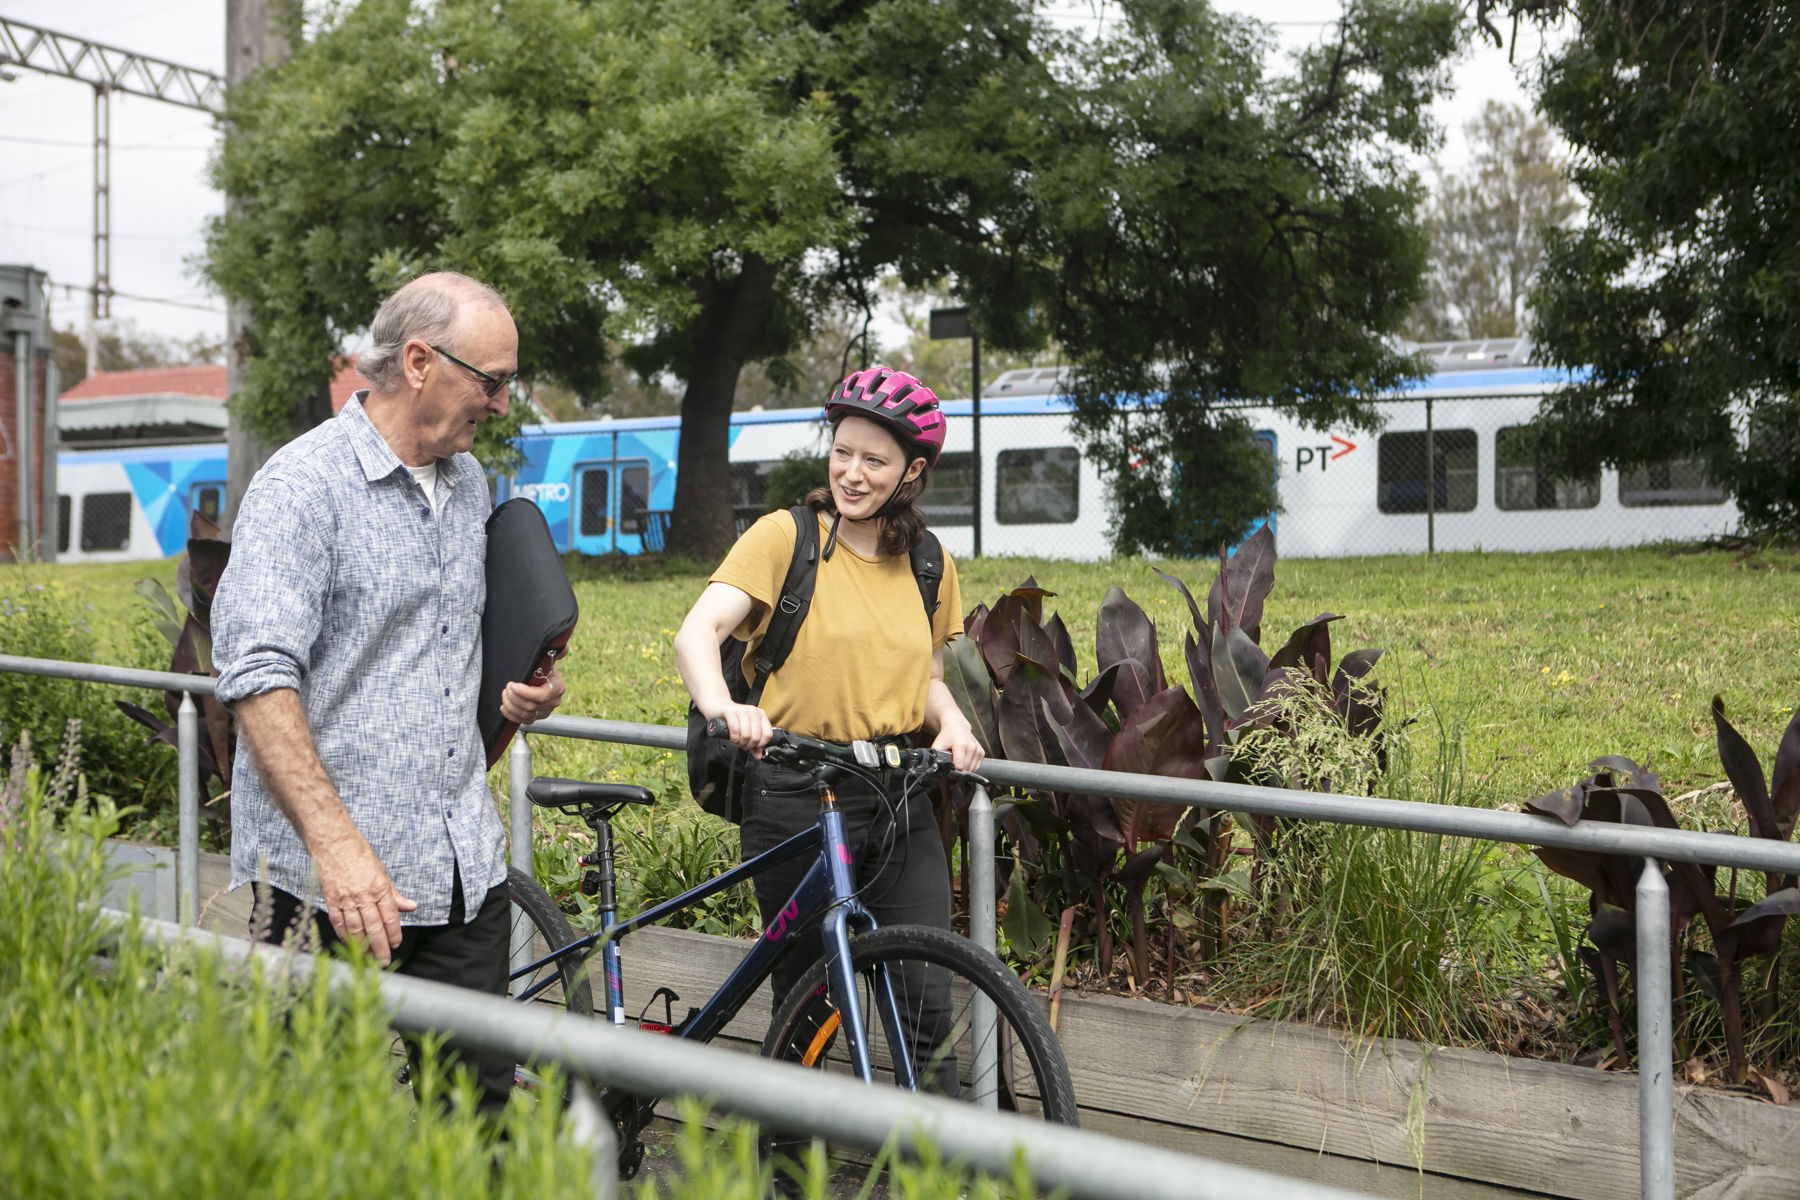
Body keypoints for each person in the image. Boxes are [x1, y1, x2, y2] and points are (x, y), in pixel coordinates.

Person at [211, 270, 566, 1113]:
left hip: (459, 866)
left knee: (477, 1125)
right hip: (325, 883)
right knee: (312, 1125)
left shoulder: (470, 484)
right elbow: (258, 676)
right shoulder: (301, 488)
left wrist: (516, 695)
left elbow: (446, 649)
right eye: (493, 380)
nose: (503, 403)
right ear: (417, 362)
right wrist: (338, 850)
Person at [673, 366, 983, 1020]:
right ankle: (790, 1128)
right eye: (842, 452)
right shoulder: (786, 537)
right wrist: (722, 707)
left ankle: (931, 1128)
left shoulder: (930, 563)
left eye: (875, 460)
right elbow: (699, 631)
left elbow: (925, 679)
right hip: (796, 790)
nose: (852, 472)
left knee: (926, 1004)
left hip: (899, 793)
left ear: (912, 471)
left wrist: (952, 722)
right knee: (810, 1003)